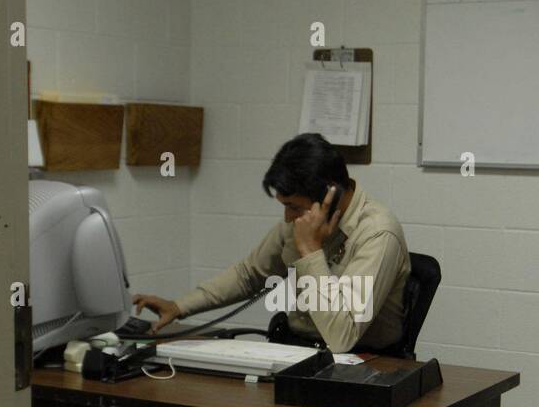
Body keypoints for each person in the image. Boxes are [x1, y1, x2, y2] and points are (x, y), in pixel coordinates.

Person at [133, 133, 411, 353]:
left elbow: (342, 336)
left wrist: (310, 252)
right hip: (298, 350)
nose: (287, 218)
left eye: (293, 206)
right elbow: (250, 275)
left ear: (328, 197)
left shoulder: (377, 233)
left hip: (365, 363)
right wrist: (179, 306)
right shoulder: (300, 222)